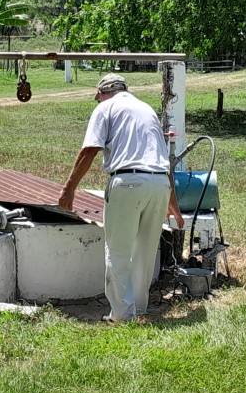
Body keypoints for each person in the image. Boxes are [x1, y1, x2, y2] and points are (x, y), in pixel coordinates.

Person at [58, 73, 184, 322]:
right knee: (146, 251)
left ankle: (123, 315)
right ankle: (140, 307)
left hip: (127, 182)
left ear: (102, 93)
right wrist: (173, 205)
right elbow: (163, 160)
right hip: (159, 184)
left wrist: (69, 189)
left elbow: (89, 150)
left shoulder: (106, 107)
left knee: (117, 251)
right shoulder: (146, 109)